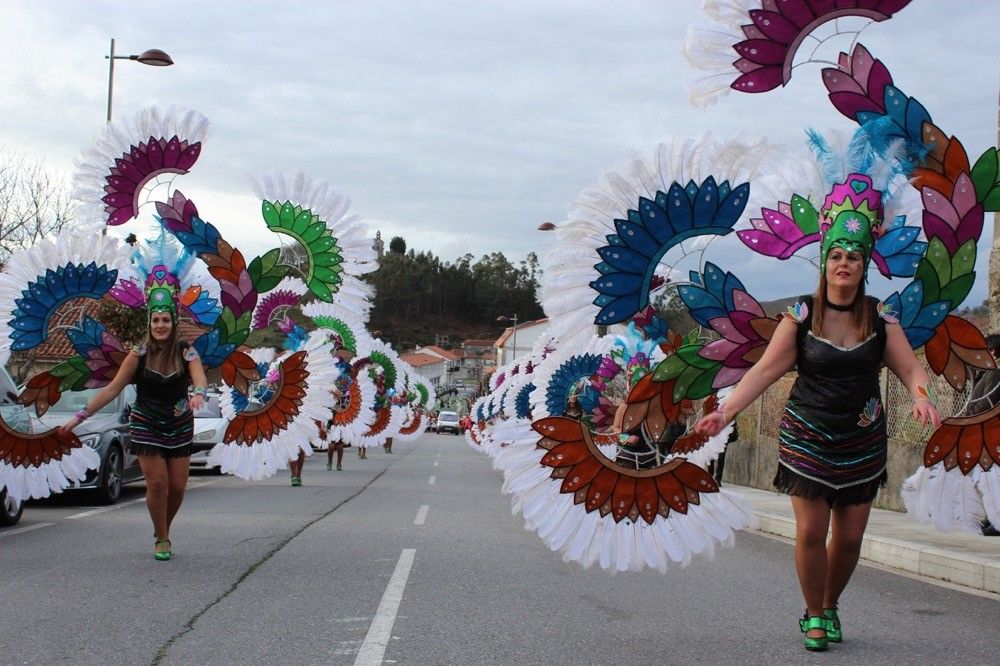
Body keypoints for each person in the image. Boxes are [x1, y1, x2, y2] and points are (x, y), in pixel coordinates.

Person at [694, 175, 941, 652]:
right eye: (835, 255)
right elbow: (766, 370)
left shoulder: (881, 317)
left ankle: (830, 604)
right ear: (824, 263)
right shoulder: (800, 316)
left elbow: (911, 368)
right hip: (807, 433)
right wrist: (725, 412)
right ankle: (812, 614)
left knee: (849, 540)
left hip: (863, 438)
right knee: (811, 529)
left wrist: (921, 394)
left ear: (863, 265)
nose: (843, 263)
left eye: (852, 256)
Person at [59, 269, 208, 561]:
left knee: (177, 487)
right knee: (156, 483)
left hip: (179, 422)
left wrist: (199, 394)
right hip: (145, 423)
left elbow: (200, 377)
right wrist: (80, 416)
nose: (161, 325)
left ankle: (163, 526)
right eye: (156, 320)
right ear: (149, 322)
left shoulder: (185, 350)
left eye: (166, 320)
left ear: (173, 322)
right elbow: (113, 389)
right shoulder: (137, 353)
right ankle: (162, 536)